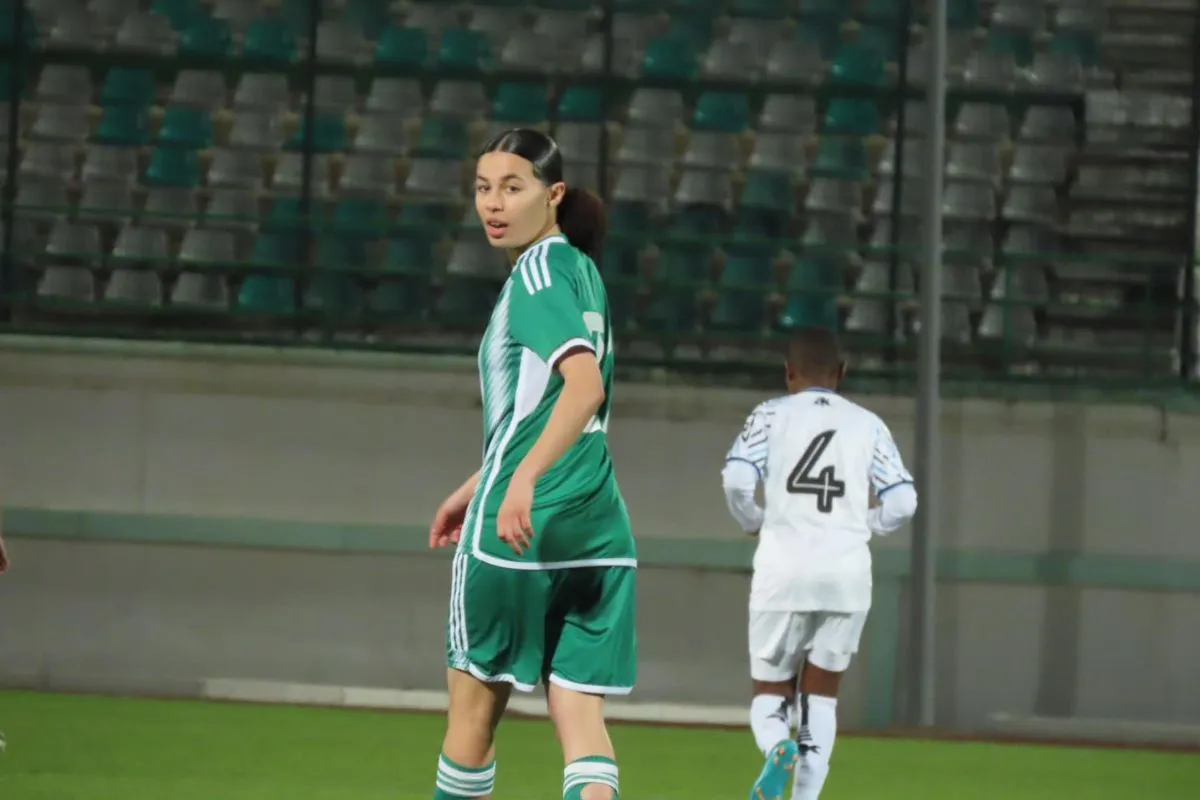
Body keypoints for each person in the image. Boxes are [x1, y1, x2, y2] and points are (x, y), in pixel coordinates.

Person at [427, 128, 636, 800]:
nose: (494, 203)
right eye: (483, 188)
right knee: (580, 720)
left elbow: (584, 388)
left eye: (512, 187)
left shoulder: (538, 275)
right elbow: (546, 407)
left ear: (553, 195)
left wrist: (518, 480)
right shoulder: (582, 270)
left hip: (523, 527)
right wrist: (479, 479)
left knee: (472, 718)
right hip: (600, 531)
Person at [720, 326, 917, 800]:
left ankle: (775, 749)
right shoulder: (869, 424)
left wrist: (755, 520)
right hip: (846, 573)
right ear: (842, 374)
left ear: (788, 373)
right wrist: (863, 523)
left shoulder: (769, 415)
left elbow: (736, 479)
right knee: (821, 696)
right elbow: (904, 500)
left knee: (770, 693)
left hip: (783, 569)